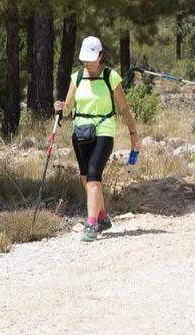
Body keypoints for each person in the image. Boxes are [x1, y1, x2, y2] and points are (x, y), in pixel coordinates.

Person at [55, 36, 142, 242]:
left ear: (101, 55)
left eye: (92, 59)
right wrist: (60, 107)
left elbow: (124, 108)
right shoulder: (76, 78)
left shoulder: (110, 76)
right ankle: (102, 217)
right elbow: (67, 109)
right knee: (85, 176)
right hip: (81, 130)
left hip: (104, 129)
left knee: (94, 174)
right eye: (85, 60)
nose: (89, 64)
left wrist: (133, 135)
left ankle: (91, 223)